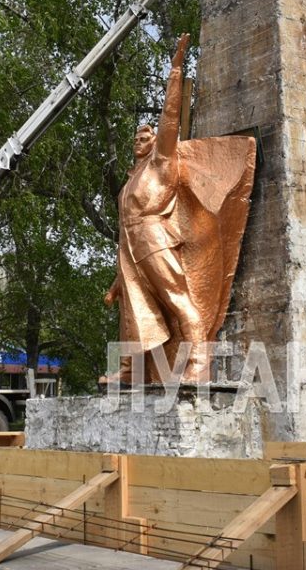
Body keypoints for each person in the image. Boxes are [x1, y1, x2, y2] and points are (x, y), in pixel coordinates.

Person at [104, 33, 255, 385]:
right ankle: (133, 370)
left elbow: (170, 117)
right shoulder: (130, 182)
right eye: (136, 139)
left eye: (146, 137)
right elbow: (125, 230)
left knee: (177, 299)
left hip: (156, 239)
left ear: (156, 142)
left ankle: (199, 362)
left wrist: (175, 71)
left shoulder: (162, 163)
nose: (139, 142)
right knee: (134, 312)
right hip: (131, 250)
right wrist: (116, 283)